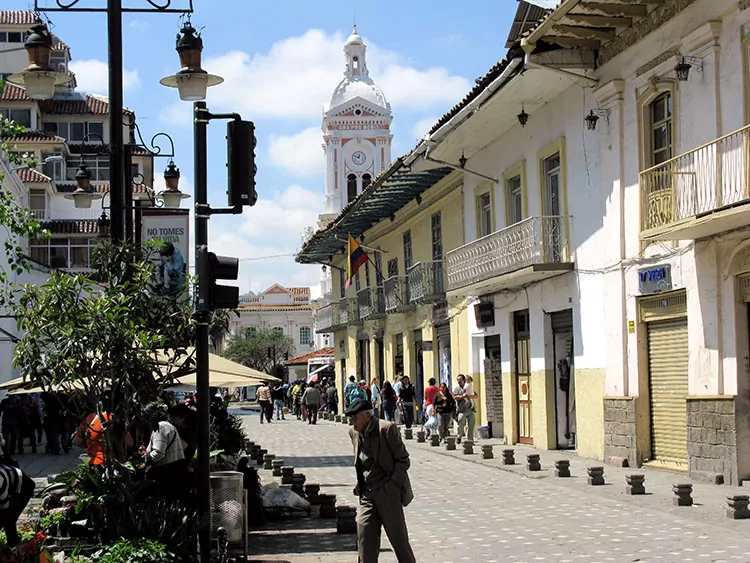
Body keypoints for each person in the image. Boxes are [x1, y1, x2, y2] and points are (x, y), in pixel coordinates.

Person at [346, 399, 415, 563]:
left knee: (399, 541)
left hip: (388, 493)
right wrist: (360, 483)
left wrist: (393, 485)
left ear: (368, 416)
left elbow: (403, 460)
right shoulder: (354, 432)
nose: (352, 422)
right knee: (364, 536)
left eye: (355, 417)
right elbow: (362, 462)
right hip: (367, 495)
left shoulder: (386, 429)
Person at [144, 403, 187, 499]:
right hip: (174, 469)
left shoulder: (161, 427)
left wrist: (147, 456)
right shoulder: (166, 426)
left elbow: (158, 453)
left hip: (167, 472)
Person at [0, 463, 35, 547]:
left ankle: (13, 548)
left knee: (9, 521)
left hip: (24, 486)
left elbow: (5, 509)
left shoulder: (0, 483)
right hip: (9, 483)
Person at [453, 374, 478, 443]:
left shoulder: (469, 387)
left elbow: (476, 396)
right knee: (461, 424)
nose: (459, 381)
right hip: (462, 410)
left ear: (464, 380)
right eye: (458, 380)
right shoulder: (457, 389)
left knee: (471, 425)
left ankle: (470, 440)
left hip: (471, 409)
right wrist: (463, 397)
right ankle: (459, 437)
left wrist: (470, 396)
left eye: (460, 380)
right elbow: (455, 397)